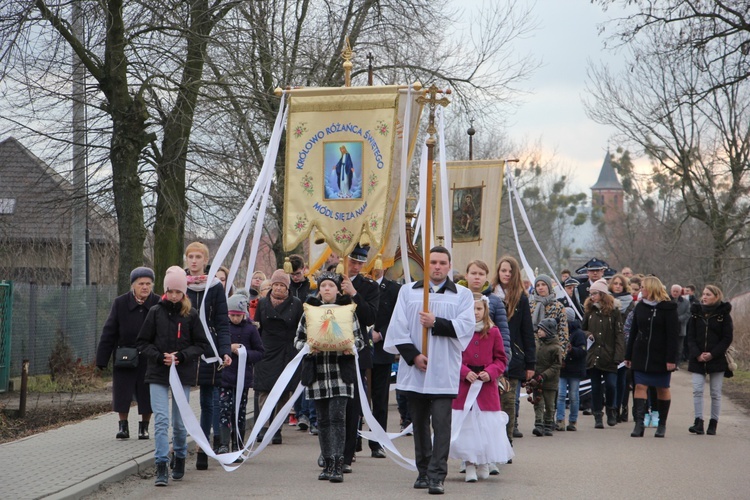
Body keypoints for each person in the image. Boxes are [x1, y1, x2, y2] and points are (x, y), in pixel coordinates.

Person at [383, 246, 475, 495]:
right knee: (419, 423)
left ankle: (437, 475)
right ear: (427, 266)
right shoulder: (408, 292)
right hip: (416, 370)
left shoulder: (462, 295)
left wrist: (436, 323)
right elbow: (397, 328)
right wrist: (413, 356)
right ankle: (423, 471)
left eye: (442, 263)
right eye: (433, 262)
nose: (437, 267)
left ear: (449, 266)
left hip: (444, 369)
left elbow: (466, 326)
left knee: (442, 424)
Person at [136, 266, 211, 486]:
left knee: (179, 422)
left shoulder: (191, 314)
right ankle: (161, 463)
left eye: (178, 292)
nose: (174, 296)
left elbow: (201, 345)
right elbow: (142, 343)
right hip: (158, 372)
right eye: (171, 291)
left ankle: (179, 456)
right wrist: (160, 357)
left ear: (184, 292)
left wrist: (182, 357)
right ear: (165, 291)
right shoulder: (155, 312)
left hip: (182, 374)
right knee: (161, 420)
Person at [295, 272, 365, 483]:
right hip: (317, 373)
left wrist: (350, 348)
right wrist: (308, 348)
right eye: (323, 285)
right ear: (319, 289)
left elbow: (360, 340)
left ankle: (337, 463)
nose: (326, 289)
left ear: (337, 290)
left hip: (340, 374)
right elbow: (297, 341)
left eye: (331, 286)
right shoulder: (310, 312)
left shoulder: (347, 312)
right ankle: (326, 462)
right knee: (323, 420)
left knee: (338, 419)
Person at [449, 294, 512, 482]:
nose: (475, 313)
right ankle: (469, 464)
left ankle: (484, 461)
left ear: (485, 310)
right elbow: (452, 356)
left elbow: (501, 358)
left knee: (485, 427)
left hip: (486, 388)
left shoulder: (493, 332)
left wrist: (491, 372)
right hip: (465, 386)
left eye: (479, 309)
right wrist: (463, 372)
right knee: (468, 427)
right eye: (472, 309)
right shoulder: (460, 331)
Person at [183, 241, 232, 470]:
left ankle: (203, 446)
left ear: (205, 260)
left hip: (209, 348)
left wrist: (224, 350)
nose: (193, 261)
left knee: (208, 400)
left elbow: (222, 322)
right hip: (184, 347)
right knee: (181, 399)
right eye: (190, 256)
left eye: (198, 257)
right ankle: (180, 449)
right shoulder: (178, 284)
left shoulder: (214, 286)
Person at [96, 266, 159, 440]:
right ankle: (123, 426)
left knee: (147, 394)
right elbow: (109, 331)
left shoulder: (158, 303)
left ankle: (144, 427)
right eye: (141, 284)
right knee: (122, 392)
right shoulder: (120, 303)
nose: (145, 287)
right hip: (125, 355)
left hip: (149, 357)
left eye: (148, 283)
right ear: (133, 285)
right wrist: (102, 359)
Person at [339, 244, 379, 470]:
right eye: (351, 261)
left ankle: (348, 452)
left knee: (352, 405)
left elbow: (370, 316)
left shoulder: (368, 286)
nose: (354, 266)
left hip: (356, 349)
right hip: (331, 350)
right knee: (331, 404)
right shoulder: (332, 279)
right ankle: (330, 449)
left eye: (359, 263)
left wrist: (354, 294)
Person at [253, 269, 304, 445]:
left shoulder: (296, 304)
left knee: (283, 391)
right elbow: (257, 327)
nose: (278, 288)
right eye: (275, 285)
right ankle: (264, 426)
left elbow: (300, 327)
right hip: (267, 349)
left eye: (282, 285)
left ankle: (277, 428)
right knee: (265, 390)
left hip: (286, 350)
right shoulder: (262, 303)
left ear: (287, 287)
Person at [625, 276, 679, 438]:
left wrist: (671, 359)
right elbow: (633, 331)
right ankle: (639, 424)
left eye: (643, 287)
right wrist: (628, 355)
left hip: (661, 355)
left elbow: (673, 336)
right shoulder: (640, 306)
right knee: (640, 386)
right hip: (640, 353)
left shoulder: (669, 308)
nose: (641, 289)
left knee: (662, 388)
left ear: (652, 288)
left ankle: (661, 424)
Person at [492, 256, 535, 443]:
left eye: (510, 271)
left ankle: (506, 443)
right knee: (492, 403)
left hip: (514, 357)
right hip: (490, 357)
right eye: (503, 270)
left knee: (510, 402)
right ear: (498, 272)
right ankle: (491, 443)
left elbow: (527, 332)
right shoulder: (490, 296)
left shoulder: (521, 298)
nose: (507, 274)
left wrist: (530, 363)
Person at [217, 290, 264, 456]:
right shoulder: (223, 329)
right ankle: (223, 444)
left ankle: (238, 444)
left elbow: (260, 352)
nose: (235, 318)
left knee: (240, 412)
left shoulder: (251, 330)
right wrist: (228, 348)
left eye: (238, 315)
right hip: (225, 378)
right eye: (232, 315)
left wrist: (245, 353)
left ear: (244, 314)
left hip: (242, 379)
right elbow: (217, 348)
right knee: (224, 410)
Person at [687, 285, 733, 436]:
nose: (704, 297)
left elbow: (727, 338)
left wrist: (712, 354)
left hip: (716, 358)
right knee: (697, 390)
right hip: (697, 358)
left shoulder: (724, 315)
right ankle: (698, 421)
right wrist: (697, 354)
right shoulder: (695, 314)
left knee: (715, 392)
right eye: (703, 294)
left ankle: (713, 422)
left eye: (708, 294)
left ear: (716, 296)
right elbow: (690, 337)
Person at [368, 265, 402, 459]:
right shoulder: (359, 286)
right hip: (360, 348)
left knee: (379, 400)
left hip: (383, 349)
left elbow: (399, 317)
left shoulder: (393, 290)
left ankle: (377, 442)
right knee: (358, 399)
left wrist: (382, 333)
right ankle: (353, 443)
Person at [582, 278, 624, 429]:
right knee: (595, 387)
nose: (592, 296)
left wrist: (619, 356)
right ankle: (598, 415)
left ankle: (611, 409)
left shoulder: (614, 313)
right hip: (593, 355)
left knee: (611, 385)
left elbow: (619, 334)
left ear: (602, 294)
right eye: (591, 294)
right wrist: (587, 335)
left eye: (595, 294)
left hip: (609, 354)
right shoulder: (589, 311)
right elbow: (583, 329)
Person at [287, 254, 315, 433]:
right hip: (292, 336)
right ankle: (299, 411)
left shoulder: (312, 287)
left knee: (307, 375)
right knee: (296, 375)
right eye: (293, 275)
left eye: (298, 274)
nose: (295, 277)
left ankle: (306, 413)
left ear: (304, 270)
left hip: (309, 333)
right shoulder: (287, 287)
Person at [527, 318, 561, 437]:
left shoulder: (555, 348)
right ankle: (538, 425)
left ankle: (548, 424)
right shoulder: (537, 345)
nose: (539, 331)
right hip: (537, 381)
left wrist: (544, 375)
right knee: (538, 403)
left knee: (550, 405)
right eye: (539, 329)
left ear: (549, 331)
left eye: (542, 329)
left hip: (550, 381)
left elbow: (557, 365)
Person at [556, 308, 586, 431]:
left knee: (574, 396)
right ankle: (560, 420)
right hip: (562, 369)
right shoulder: (559, 331)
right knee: (561, 395)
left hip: (574, 370)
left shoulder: (579, 333)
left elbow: (583, 351)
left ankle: (573, 421)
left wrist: (572, 350)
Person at [610, 273, 635, 423]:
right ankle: (612, 407)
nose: (618, 286)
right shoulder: (607, 301)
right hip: (609, 344)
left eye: (620, 284)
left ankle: (622, 407)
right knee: (611, 381)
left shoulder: (631, 303)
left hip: (624, 345)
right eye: (615, 283)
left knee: (623, 380)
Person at [530, 274, 569, 352]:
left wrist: (561, 353)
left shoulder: (558, 306)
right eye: (537, 285)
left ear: (549, 286)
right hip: (534, 349)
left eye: (543, 284)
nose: (540, 287)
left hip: (553, 350)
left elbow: (563, 332)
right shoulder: (530, 306)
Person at [671, 284, 690, 366]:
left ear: (680, 292)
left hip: (680, 327)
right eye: (674, 291)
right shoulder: (666, 300)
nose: (675, 293)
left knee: (679, 348)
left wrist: (678, 319)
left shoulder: (685, 302)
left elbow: (688, 313)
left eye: (677, 292)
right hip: (669, 327)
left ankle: (677, 363)